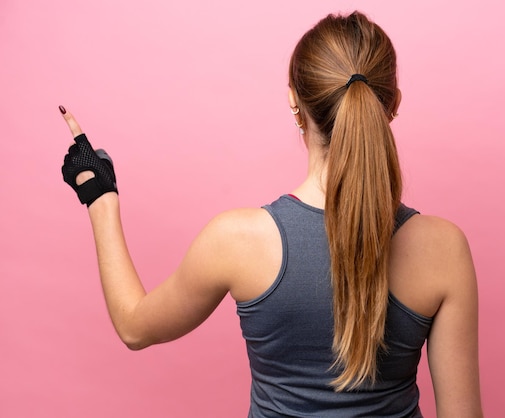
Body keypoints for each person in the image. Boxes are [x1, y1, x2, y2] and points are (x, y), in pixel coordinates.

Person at [60, 11, 483, 418]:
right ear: (391, 106)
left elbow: (135, 327)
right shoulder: (443, 249)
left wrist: (99, 194)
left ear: (295, 103)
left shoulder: (236, 241)